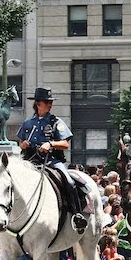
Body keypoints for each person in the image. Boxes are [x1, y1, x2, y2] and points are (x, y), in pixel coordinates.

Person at [17, 87, 88, 233]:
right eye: (46, 102)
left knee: (69, 182)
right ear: (38, 103)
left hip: (51, 160)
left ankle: (76, 214)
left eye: (50, 102)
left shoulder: (56, 122)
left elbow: (65, 144)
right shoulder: (28, 123)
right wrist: (22, 145)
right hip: (30, 161)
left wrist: (50, 144)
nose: (50, 104)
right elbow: (20, 142)